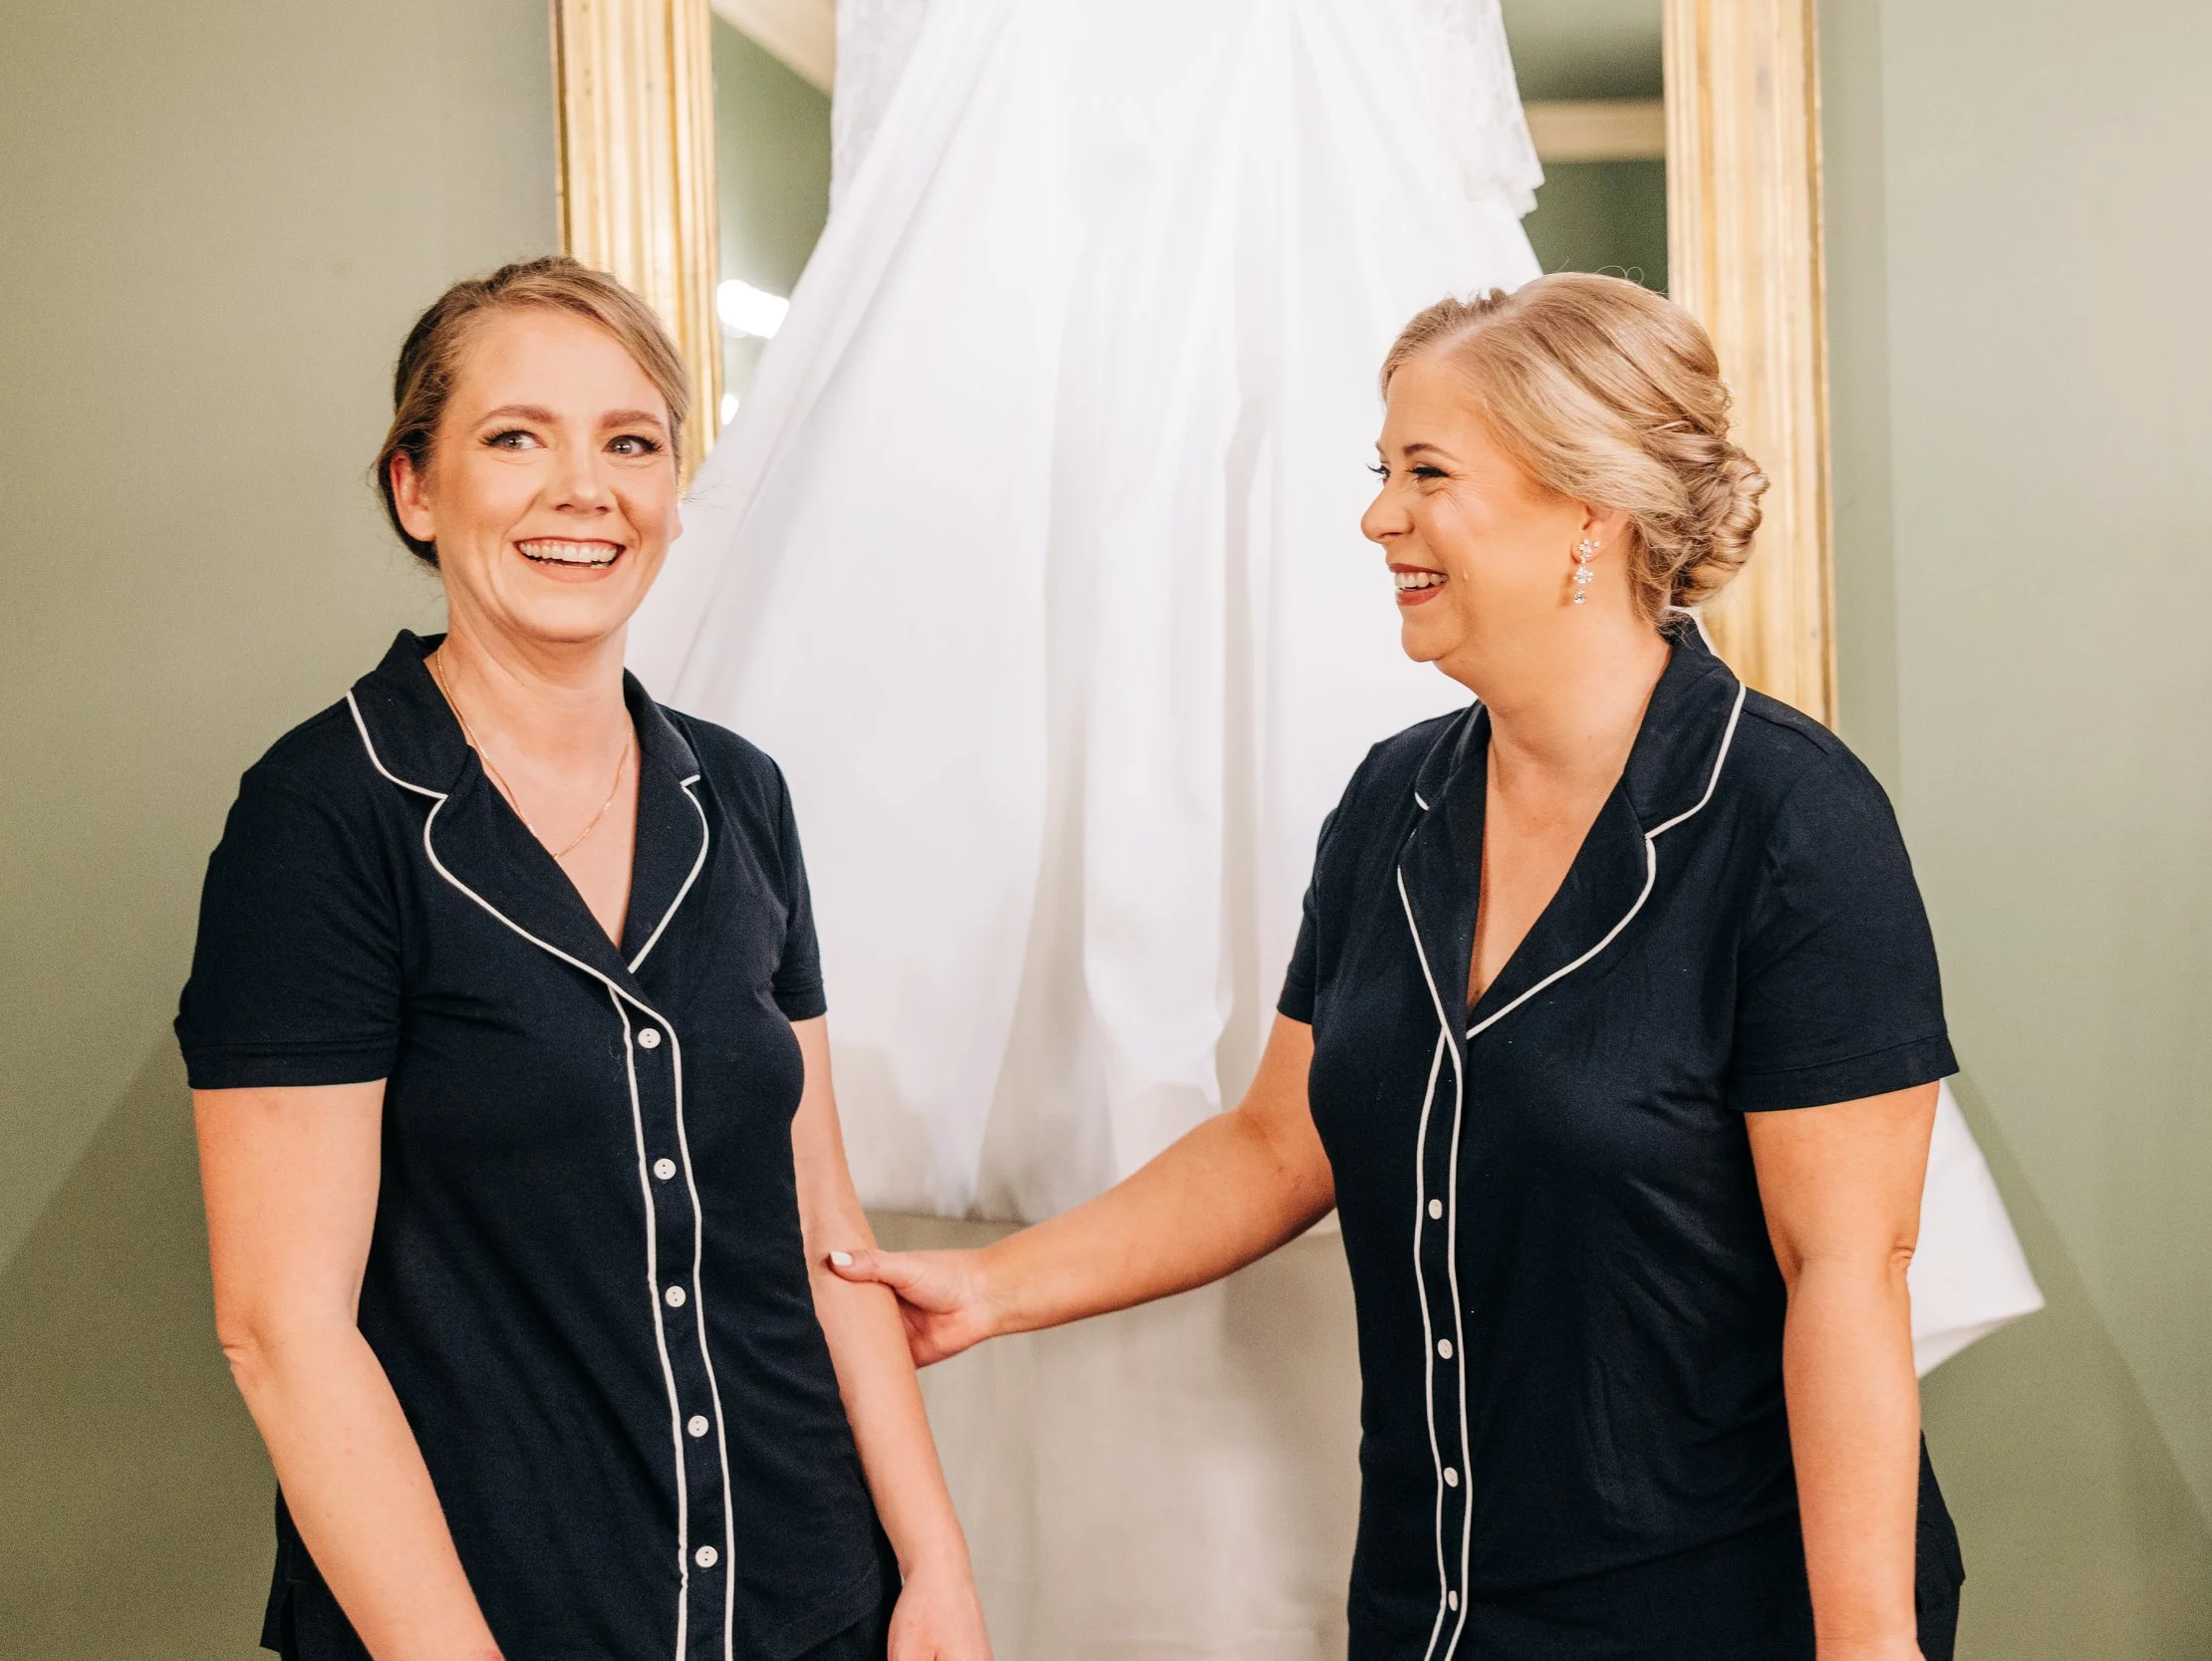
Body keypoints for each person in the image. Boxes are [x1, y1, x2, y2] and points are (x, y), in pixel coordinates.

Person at [834, 273, 1966, 1660]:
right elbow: (1275, 1141)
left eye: (1426, 473)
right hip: (1431, 1617)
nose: (1380, 517)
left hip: (1719, 1615)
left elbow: (1848, 1269)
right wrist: (995, 1288)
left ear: (1589, 515)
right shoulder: (1395, 805)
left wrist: (1869, 1645)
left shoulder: (1792, 823)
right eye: (1385, 471)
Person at [179, 257, 989, 1661]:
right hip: (503, 1616)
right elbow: (281, 1330)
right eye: (516, 438)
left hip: (810, 1598)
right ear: (414, 488)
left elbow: (823, 1225)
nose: (585, 487)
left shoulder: (738, 796)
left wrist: (933, 1564)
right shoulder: (325, 817)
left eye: (632, 442)